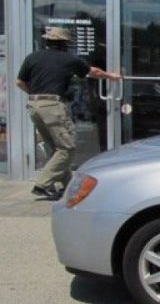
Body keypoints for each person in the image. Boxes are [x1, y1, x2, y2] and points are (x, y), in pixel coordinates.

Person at [15, 26, 122, 200]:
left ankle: (65, 187)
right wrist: (112, 76)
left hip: (34, 105)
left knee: (57, 147)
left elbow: (19, 82)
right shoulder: (68, 59)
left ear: (47, 42)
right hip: (53, 106)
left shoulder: (32, 57)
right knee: (67, 147)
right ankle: (42, 184)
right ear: (64, 43)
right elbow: (92, 72)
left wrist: (37, 97)